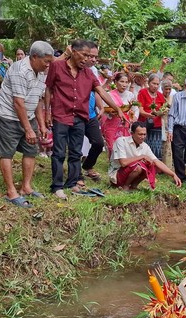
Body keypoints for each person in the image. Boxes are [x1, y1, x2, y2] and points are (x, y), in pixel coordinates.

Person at [45, 39, 122, 200]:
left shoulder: (88, 73)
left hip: (80, 117)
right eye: (84, 55)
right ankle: (57, 186)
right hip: (61, 115)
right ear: (73, 51)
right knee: (58, 152)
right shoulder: (57, 67)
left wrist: (117, 108)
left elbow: (101, 91)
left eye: (89, 56)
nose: (87, 59)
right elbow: (49, 89)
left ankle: (72, 183)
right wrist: (47, 113)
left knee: (75, 152)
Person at [0, 40, 54, 208]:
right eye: (46, 61)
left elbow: (37, 100)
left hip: (29, 114)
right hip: (8, 115)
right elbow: (18, 103)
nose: (49, 65)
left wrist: (41, 125)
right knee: (7, 153)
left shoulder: (42, 71)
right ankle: (11, 192)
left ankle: (26, 187)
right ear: (34, 57)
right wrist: (28, 129)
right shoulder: (20, 70)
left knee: (31, 150)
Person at [108, 122, 181, 191]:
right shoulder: (121, 141)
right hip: (117, 176)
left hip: (129, 173)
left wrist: (173, 174)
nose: (143, 137)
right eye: (140, 134)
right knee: (139, 166)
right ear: (132, 133)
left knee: (151, 164)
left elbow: (157, 161)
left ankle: (134, 186)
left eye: (144, 134)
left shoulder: (145, 146)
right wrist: (142, 157)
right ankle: (126, 186)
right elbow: (123, 163)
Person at [80, 40, 105, 182]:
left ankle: (88, 165)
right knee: (75, 145)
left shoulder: (93, 71)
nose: (94, 60)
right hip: (77, 114)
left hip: (91, 113)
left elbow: (97, 90)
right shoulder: (75, 68)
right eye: (91, 56)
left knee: (98, 143)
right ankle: (76, 173)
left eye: (96, 57)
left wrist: (100, 106)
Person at [101, 72, 139, 155]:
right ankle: (113, 166)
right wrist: (111, 113)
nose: (124, 85)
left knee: (124, 149)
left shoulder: (130, 95)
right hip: (112, 125)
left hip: (125, 126)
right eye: (122, 81)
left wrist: (134, 117)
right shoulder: (109, 95)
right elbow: (104, 109)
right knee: (112, 147)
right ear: (115, 82)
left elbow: (136, 109)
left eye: (126, 82)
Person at [137, 73, 166, 159]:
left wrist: (161, 112)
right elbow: (140, 110)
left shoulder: (160, 95)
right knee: (143, 145)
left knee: (156, 147)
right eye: (153, 83)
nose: (155, 86)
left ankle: (155, 167)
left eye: (157, 84)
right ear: (149, 83)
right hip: (144, 124)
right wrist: (149, 115)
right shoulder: (142, 92)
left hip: (157, 125)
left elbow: (163, 108)